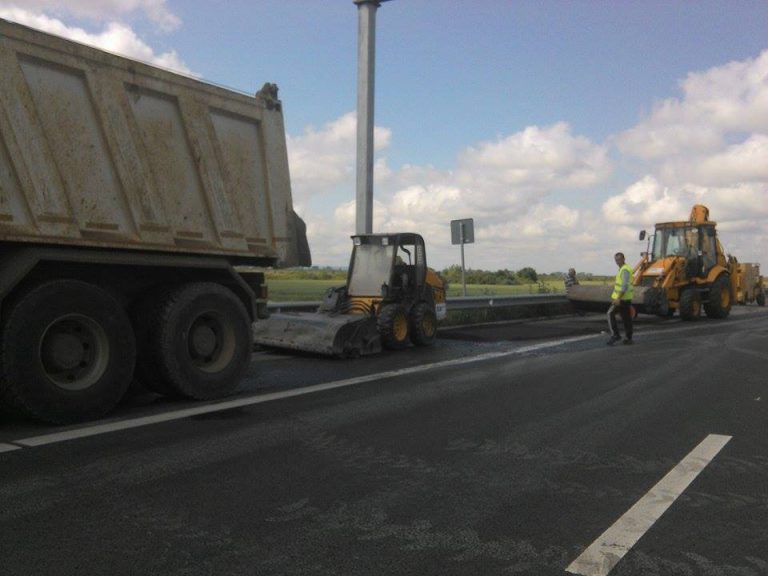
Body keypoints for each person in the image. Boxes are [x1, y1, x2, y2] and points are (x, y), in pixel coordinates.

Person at [607, 252, 634, 345]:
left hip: (621, 299)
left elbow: (624, 286)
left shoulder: (625, 270)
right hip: (626, 298)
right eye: (616, 260)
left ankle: (615, 335)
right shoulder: (623, 269)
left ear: (623, 259)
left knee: (610, 314)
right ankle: (628, 338)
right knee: (626, 318)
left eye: (619, 259)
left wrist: (618, 298)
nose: (617, 262)